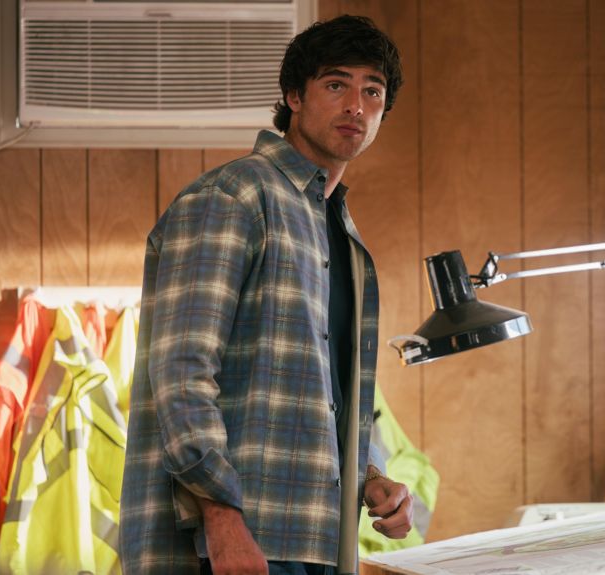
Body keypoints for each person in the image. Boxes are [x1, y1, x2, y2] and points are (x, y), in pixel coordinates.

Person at [120, 15, 413, 575]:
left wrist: (372, 479)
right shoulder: (234, 196)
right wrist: (223, 521)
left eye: (371, 91)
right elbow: (182, 372)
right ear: (293, 97)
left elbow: (325, 398)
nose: (356, 104)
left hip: (314, 539)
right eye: (336, 84)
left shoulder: (339, 233)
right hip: (230, 542)